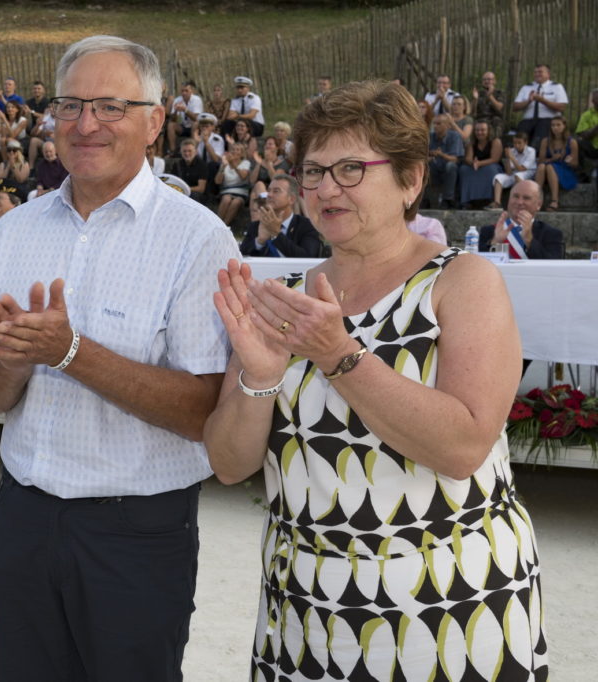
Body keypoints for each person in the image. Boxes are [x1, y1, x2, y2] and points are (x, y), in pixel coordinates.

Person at [203, 79, 547, 681]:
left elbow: (464, 445)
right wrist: (260, 377)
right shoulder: (285, 297)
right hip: (307, 611)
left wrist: (340, 355)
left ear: (411, 180)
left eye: (351, 168)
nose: (325, 187)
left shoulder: (461, 282)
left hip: (449, 606)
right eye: (313, 171)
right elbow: (229, 464)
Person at [0, 35, 239, 681]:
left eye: (111, 106)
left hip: (137, 533)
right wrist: (13, 361)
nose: (86, 124)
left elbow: (204, 411)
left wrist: (71, 352)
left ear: (155, 121)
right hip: (25, 518)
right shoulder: (15, 231)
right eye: (70, 105)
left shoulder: (197, 239)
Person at [239, 174, 320, 257]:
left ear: (291, 199)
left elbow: (308, 258)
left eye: (276, 191)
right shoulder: (256, 226)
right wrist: (259, 241)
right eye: (269, 190)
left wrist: (277, 234)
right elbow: (240, 256)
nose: (269, 195)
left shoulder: (306, 226)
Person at [480, 179, 563, 259]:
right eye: (515, 196)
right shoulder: (489, 231)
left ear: (538, 205)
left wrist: (529, 240)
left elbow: (552, 268)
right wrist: (495, 242)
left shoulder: (550, 234)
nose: (519, 202)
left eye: (526, 198)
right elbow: (477, 266)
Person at [513, 64, 568, 149]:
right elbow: (515, 107)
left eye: (540, 72)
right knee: (520, 140)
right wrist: (528, 101)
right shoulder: (526, 87)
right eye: (535, 72)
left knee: (538, 141)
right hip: (528, 121)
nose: (537, 74)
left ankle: (537, 158)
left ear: (548, 74)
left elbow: (562, 107)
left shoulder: (556, 87)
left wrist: (542, 100)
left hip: (547, 120)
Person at [534, 115, 579, 211]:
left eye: (558, 125)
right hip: (546, 168)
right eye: (553, 125)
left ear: (564, 126)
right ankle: (536, 199)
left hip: (565, 169)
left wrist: (569, 160)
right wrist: (552, 159)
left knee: (550, 167)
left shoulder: (572, 142)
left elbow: (575, 163)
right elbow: (540, 161)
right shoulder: (546, 141)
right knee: (542, 166)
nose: (555, 128)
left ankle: (555, 200)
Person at [458, 120, 503, 209]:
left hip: (491, 165)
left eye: (482, 130)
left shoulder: (495, 141)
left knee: (490, 169)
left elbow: (495, 158)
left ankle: (488, 199)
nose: (479, 132)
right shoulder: (472, 143)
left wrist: (479, 163)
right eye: (477, 130)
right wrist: (473, 163)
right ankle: (467, 201)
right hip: (475, 166)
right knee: (464, 169)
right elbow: (468, 158)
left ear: (488, 131)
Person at [491, 131, 537, 209]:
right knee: (498, 177)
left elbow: (522, 168)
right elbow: (508, 172)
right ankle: (497, 202)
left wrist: (511, 157)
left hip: (528, 172)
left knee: (517, 175)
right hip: (515, 173)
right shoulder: (512, 151)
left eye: (519, 143)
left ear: (526, 142)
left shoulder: (531, 151)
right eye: (515, 143)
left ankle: (516, 203)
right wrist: (507, 158)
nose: (516, 145)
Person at [427, 113, 463, 208]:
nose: (435, 126)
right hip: (436, 165)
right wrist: (430, 155)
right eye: (434, 123)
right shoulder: (430, 136)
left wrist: (440, 154)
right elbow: (423, 156)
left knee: (450, 166)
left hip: (451, 167)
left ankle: (447, 199)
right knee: (426, 166)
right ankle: (428, 199)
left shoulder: (455, 136)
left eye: (439, 124)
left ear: (447, 125)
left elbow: (455, 158)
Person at [215, 141, 251, 226]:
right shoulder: (225, 164)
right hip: (227, 191)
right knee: (226, 199)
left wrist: (233, 164)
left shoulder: (246, 163)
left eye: (237, 150)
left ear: (242, 153)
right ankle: (217, 223)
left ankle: (224, 226)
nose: (235, 151)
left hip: (241, 192)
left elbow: (243, 176)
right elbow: (217, 181)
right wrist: (223, 166)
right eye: (233, 150)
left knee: (236, 202)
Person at [471, 71, 506, 137]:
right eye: (484, 79)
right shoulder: (478, 93)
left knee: (496, 122)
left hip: (493, 119)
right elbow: (472, 111)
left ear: (494, 81)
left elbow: (499, 107)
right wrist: (475, 99)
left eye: (489, 79)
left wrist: (489, 96)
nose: (487, 81)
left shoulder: (499, 93)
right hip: (479, 119)